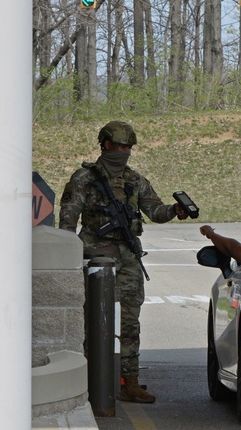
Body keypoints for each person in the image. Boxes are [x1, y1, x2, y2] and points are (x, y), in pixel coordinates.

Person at [58, 121, 189, 403]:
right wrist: (68, 260)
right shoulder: (83, 179)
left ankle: (129, 380)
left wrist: (174, 210)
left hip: (128, 255)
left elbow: (154, 209)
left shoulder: (135, 180)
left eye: (128, 147)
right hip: (95, 254)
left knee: (131, 320)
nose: (123, 152)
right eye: (118, 146)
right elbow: (67, 222)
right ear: (104, 145)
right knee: (90, 318)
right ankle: (86, 378)